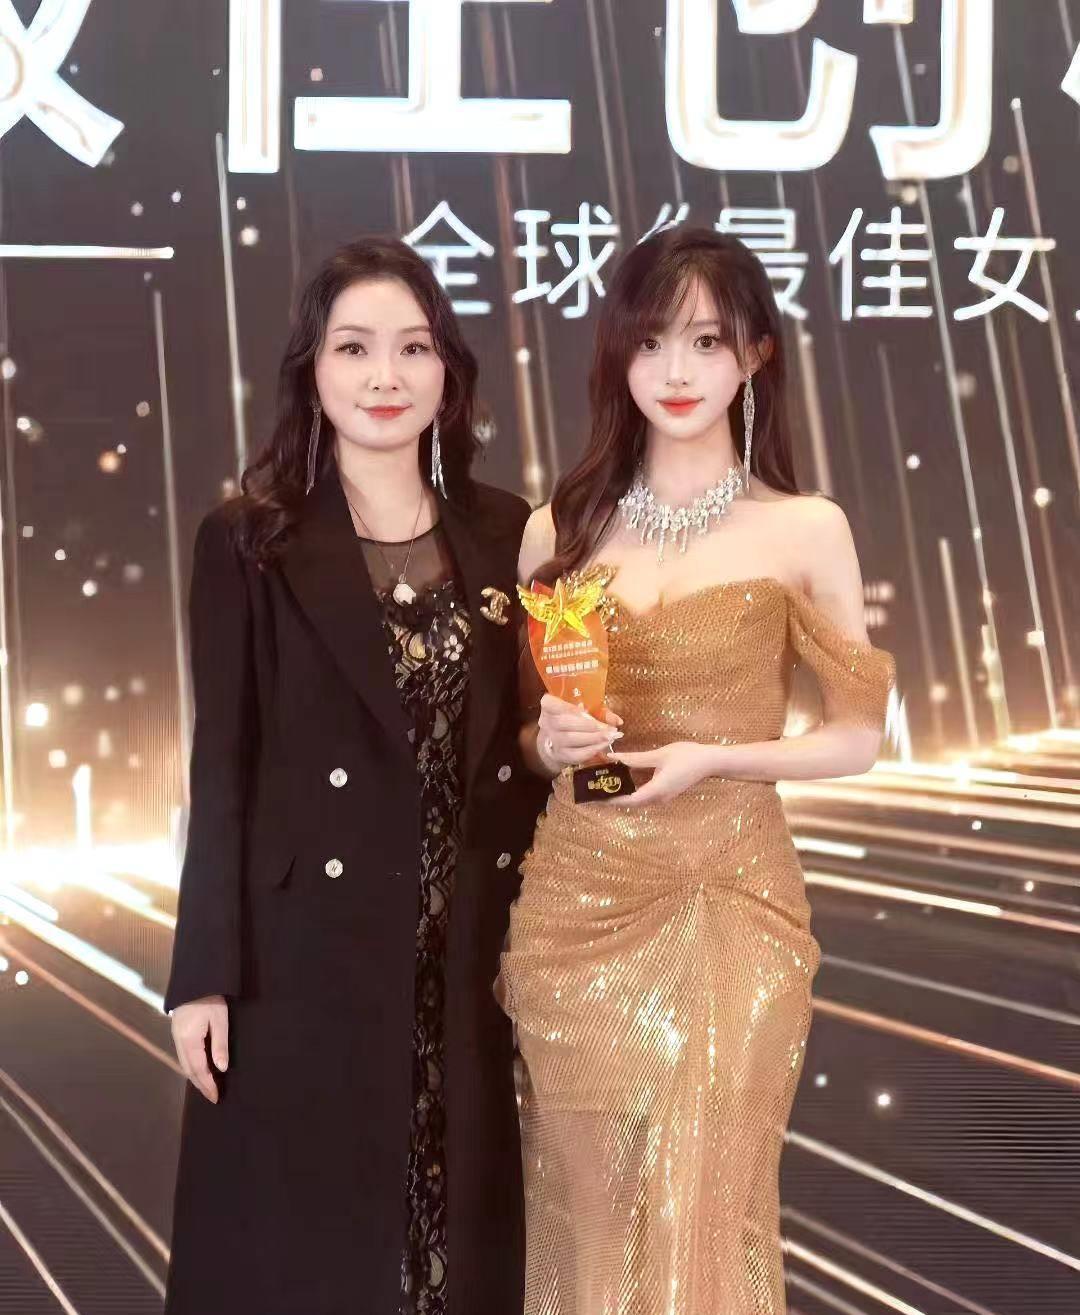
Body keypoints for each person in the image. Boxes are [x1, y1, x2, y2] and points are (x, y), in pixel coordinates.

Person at [499, 228, 896, 1315]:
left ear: (755, 355)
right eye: (651, 341)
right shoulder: (555, 531)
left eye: (707, 342)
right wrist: (550, 743)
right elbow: (528, 737)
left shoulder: (804, 527)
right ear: (617, 355)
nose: (676, 370)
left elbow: (857, 736)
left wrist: (714, 757)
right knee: (593, 1215)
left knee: (706, 1204)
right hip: (579, 907)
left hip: (731, 893)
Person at [164, 237, 547, 1315]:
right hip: (301, 959)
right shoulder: (248, 540)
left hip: (463, 946)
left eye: (414, 348)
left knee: (451, 1244)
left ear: (448, 372)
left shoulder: (506, 531)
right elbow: (222, 765)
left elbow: (521, 746)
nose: (386, 376)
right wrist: (201, 974)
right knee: (306, 1254)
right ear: (312, 369)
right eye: (355, 348)